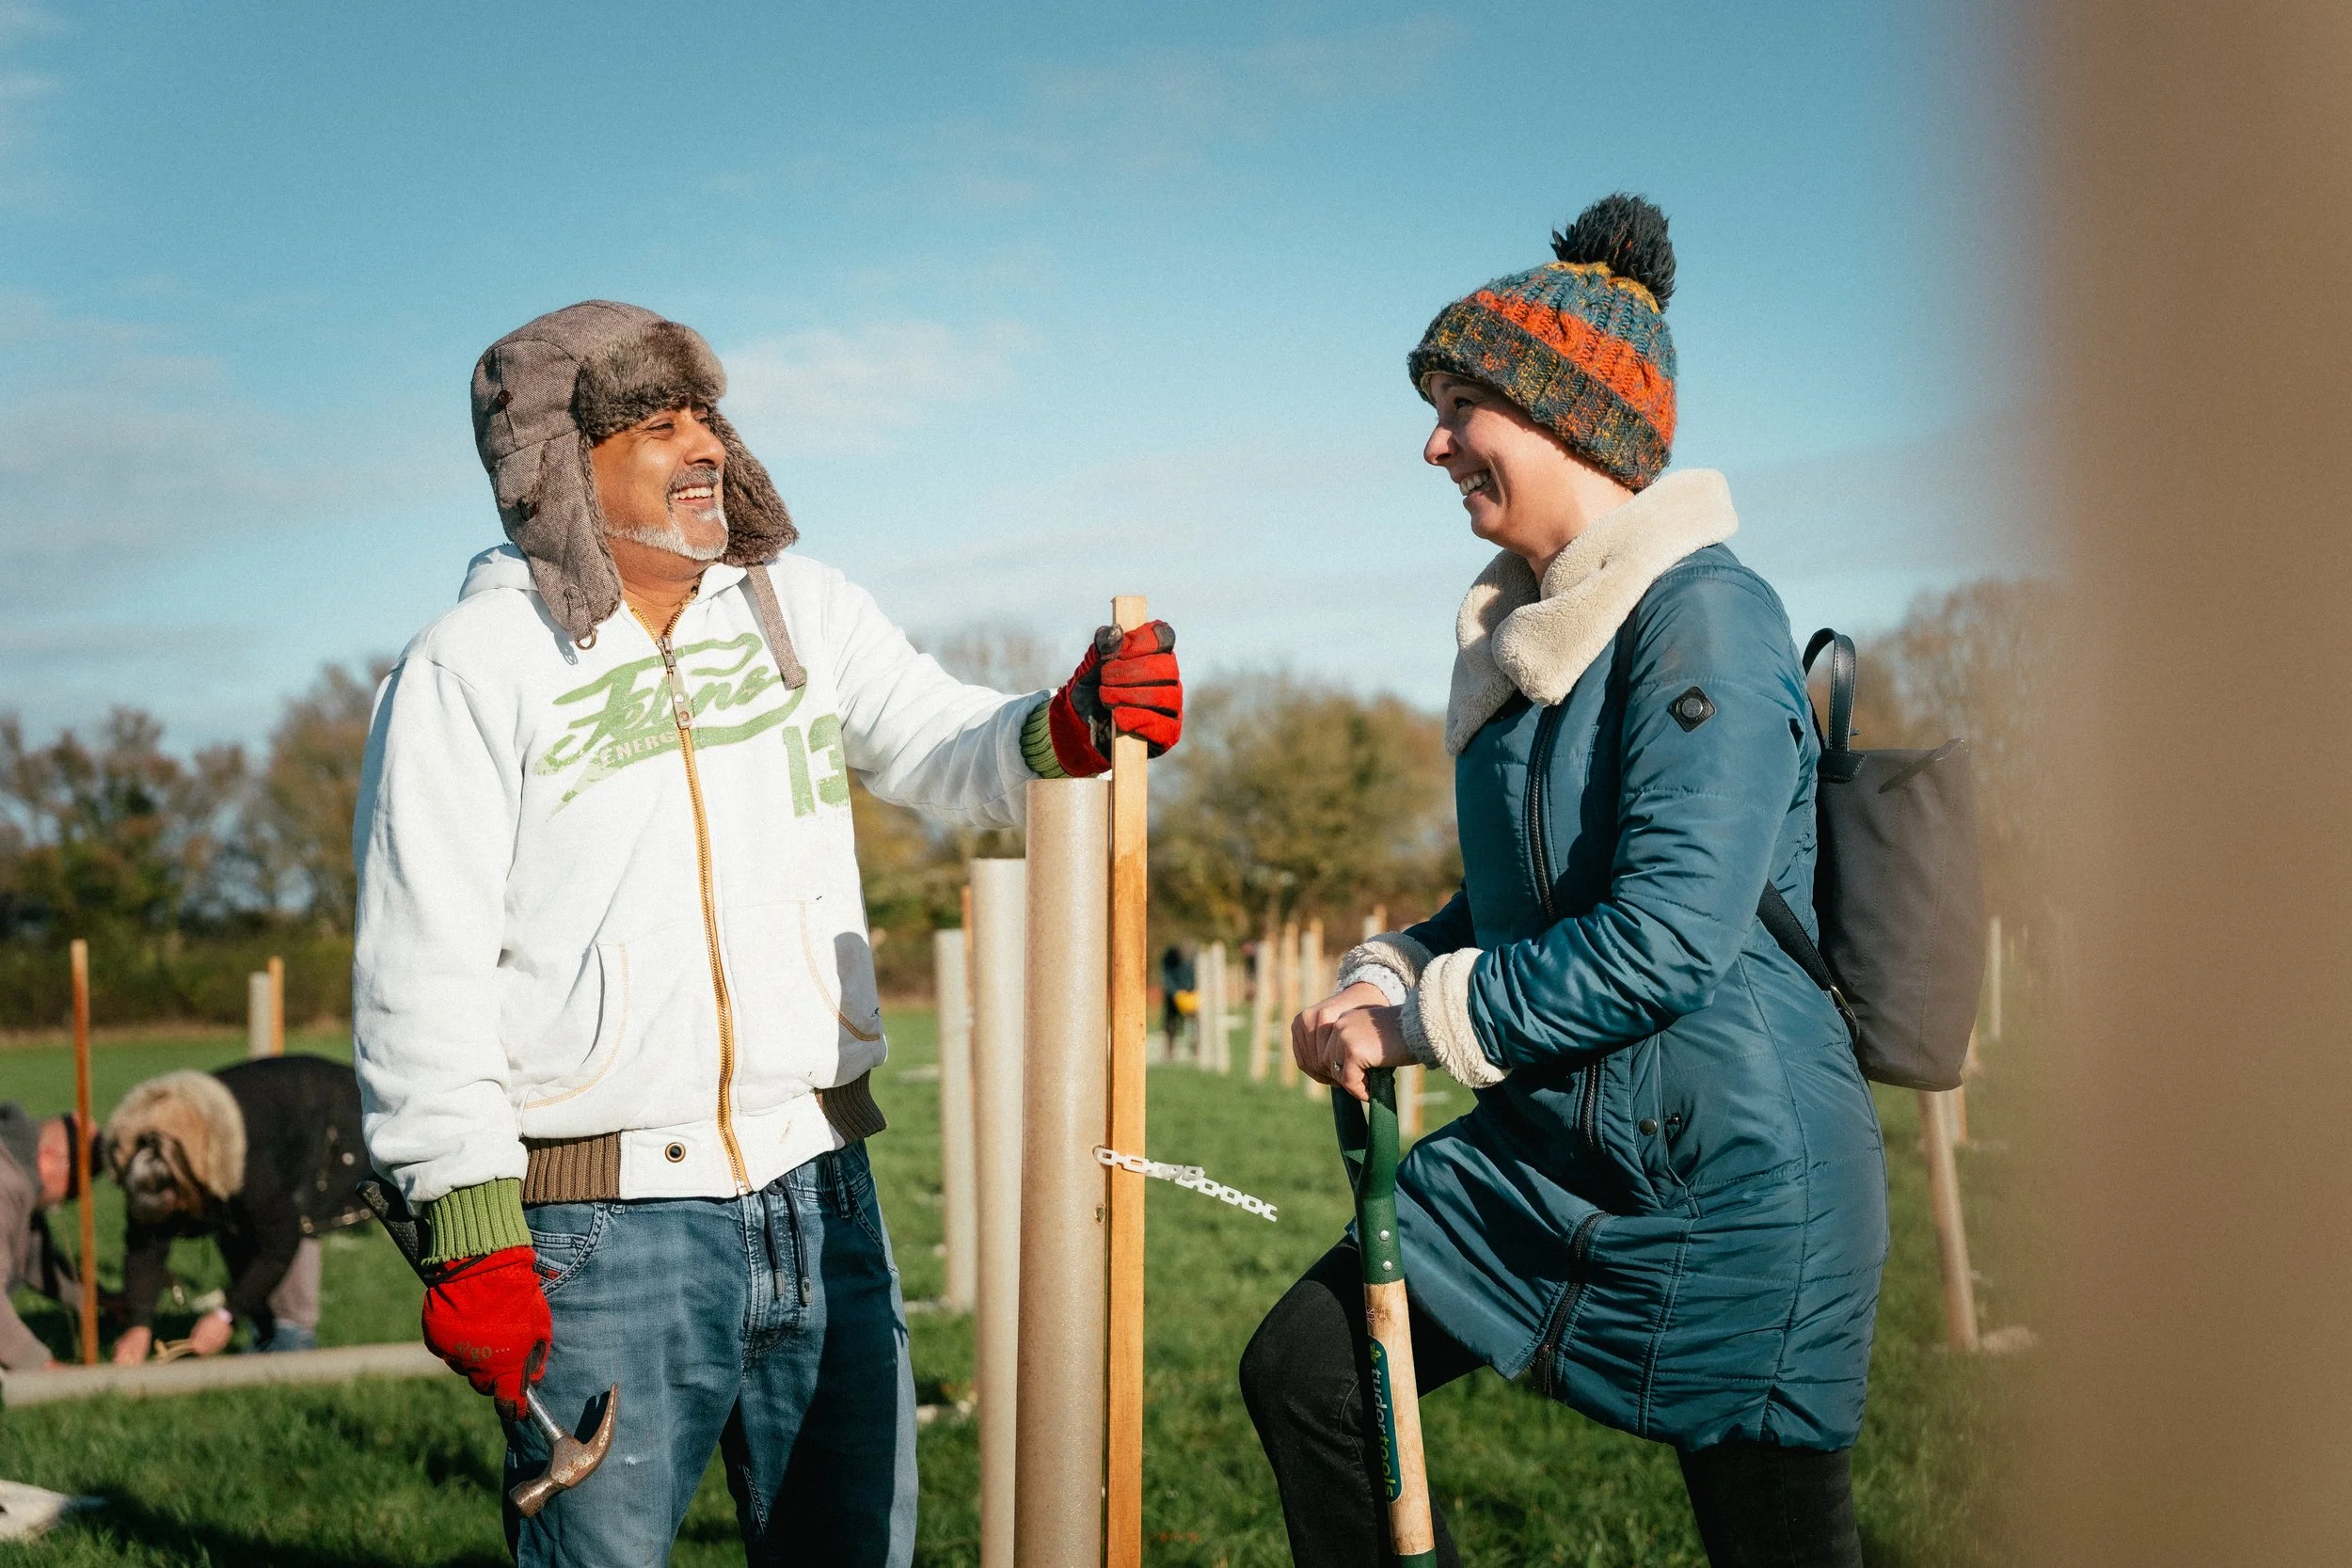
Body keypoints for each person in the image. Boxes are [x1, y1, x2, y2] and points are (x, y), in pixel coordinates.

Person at [353, 300, 1183, 1568]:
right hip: (605, 1228)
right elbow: (423, 969)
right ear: (555, 465)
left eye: (705, 414)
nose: (702, 446)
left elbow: (943, 743)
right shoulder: (471, 667)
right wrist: (470, 1230)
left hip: (823, 1192)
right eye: (653, 421)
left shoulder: (802, 607)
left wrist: (1062, 726)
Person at [1245, 196, 1887, 1567]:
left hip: (1735, 1178)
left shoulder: (1704, 616)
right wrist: (1393, 966)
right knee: (1312, 1370)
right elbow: (1532, 895)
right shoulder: (1541, 639)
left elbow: (1664, 932)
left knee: (1777, 1543)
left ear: (1570, 420)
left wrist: (1418, 1027)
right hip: (1555, 1158)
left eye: (1464, 401)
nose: (1433, 440)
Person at [103, 1055, 373, 1360]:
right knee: (231, 1218)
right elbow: (145, 1243)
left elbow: (280, 1240)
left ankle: (291, 1340)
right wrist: (139, 1324)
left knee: (293, 1218)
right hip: (266, 1135)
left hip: (329, 1116)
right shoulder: (147, 1167)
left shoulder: (242, 1161)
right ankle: (263, 1331)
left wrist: (226, 1315)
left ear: (186, 1185)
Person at [0, 1103, 86, 1370]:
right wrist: (40, 1365)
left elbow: (32, 1254)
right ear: (48, 1157)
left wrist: (91, 1297)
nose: (68, 1200)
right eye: (73, 1188)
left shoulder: (17, 1169)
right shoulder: (6, 1185)